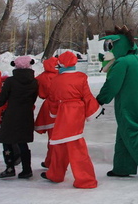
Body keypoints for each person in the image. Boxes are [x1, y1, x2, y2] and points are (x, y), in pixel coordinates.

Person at [96, 25, 138, 179]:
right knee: (123, 133)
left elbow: (112, 85)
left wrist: (99, 100)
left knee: (131, 132)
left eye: (111, 46)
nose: (109, 50)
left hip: (127, 103)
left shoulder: (122, 63)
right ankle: (122, 167)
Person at [42, 51, 101, 188]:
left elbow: (52, 100)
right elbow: (87, 96)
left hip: (62, 114)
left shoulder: (56, 80)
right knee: (74, 145)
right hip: (76, 114)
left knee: (61, 145)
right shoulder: (81, 77)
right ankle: (84, 179)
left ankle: (62, 176)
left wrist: (54, 113)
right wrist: (93, 110)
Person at [0, 55, 38, 179]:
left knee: (6, 140)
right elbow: (33, 99)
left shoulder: (10, 81)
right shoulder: (35, 82)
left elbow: (2, 99)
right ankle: (27, 169)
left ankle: (10, 168)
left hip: (12, 115)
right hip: (26, 115)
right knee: (23, 142)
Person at [34, 56, 58, 168]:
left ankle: (50, 161)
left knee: (51, 137)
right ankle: (54, 161)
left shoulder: (40, 78)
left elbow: (39, 93)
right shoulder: (60, 76)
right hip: (61, 106)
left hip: (47, 107)